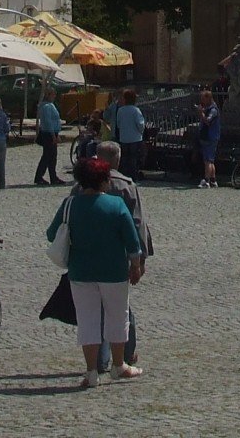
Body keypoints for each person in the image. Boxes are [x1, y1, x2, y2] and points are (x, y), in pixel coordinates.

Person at [45, 158, 143, 388]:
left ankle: (91, 372)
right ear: (103, 180)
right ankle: (119, 366)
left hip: (80, 272)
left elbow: (52, 234)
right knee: (118, 317)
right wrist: (136, 266)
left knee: (87, 321)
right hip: (113, 271)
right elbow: (132, 242)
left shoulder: (70, 204)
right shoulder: (116, 205)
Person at [92, 138, 151, 371]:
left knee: (95, 308)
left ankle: (101, 358)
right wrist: (140, 258)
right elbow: (138, 223)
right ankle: (126, 352)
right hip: (120, 254)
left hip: (91, 253)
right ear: (117, 160)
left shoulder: (82, 185)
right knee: (121, 306)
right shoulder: (126, 186)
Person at [112, 89, 146, 180]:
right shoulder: (136, 110)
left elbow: (118, 124)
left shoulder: (120, 110)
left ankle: (124, 175)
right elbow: (140, 124)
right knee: (134, 158)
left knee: (125, 159)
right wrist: (141, 132)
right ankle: (133, 176)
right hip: (135, 138)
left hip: (124, 138)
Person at [34, 90, 64, 186]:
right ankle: (39, 177)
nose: (55, 96)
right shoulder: (46, 107)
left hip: (53, 132)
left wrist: (57, 133)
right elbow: (48, 122)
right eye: (53, 94)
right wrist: (53, 135)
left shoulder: (51, 105)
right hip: (48, 134)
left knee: (52, 157)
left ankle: (53, 176)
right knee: (47, 156)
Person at [195, 89, 221, 189]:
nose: (201, 101)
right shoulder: (209, 108)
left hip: (210, 137)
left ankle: (206, 180)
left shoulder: (213, 110)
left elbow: (208, 121)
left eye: (203, 98)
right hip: (208, 136)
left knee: (207, 160)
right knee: (211, 160)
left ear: (208, 98)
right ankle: (213, 180)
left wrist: (201, 113)